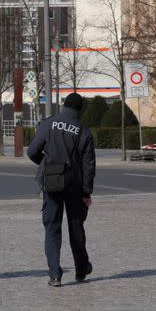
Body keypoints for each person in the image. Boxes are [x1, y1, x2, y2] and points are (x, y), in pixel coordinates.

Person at [27, 92, 95, 287]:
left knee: (52, 229)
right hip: (74, 185)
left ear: (64, 105)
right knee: (76, 229)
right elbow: (88, 166)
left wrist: (47, 166)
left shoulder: (49, 123)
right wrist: (86, 192)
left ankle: (55, 274)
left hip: (52, 183)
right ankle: (81, 269)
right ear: (80, 110)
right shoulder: (84, 131)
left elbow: (31, 151)